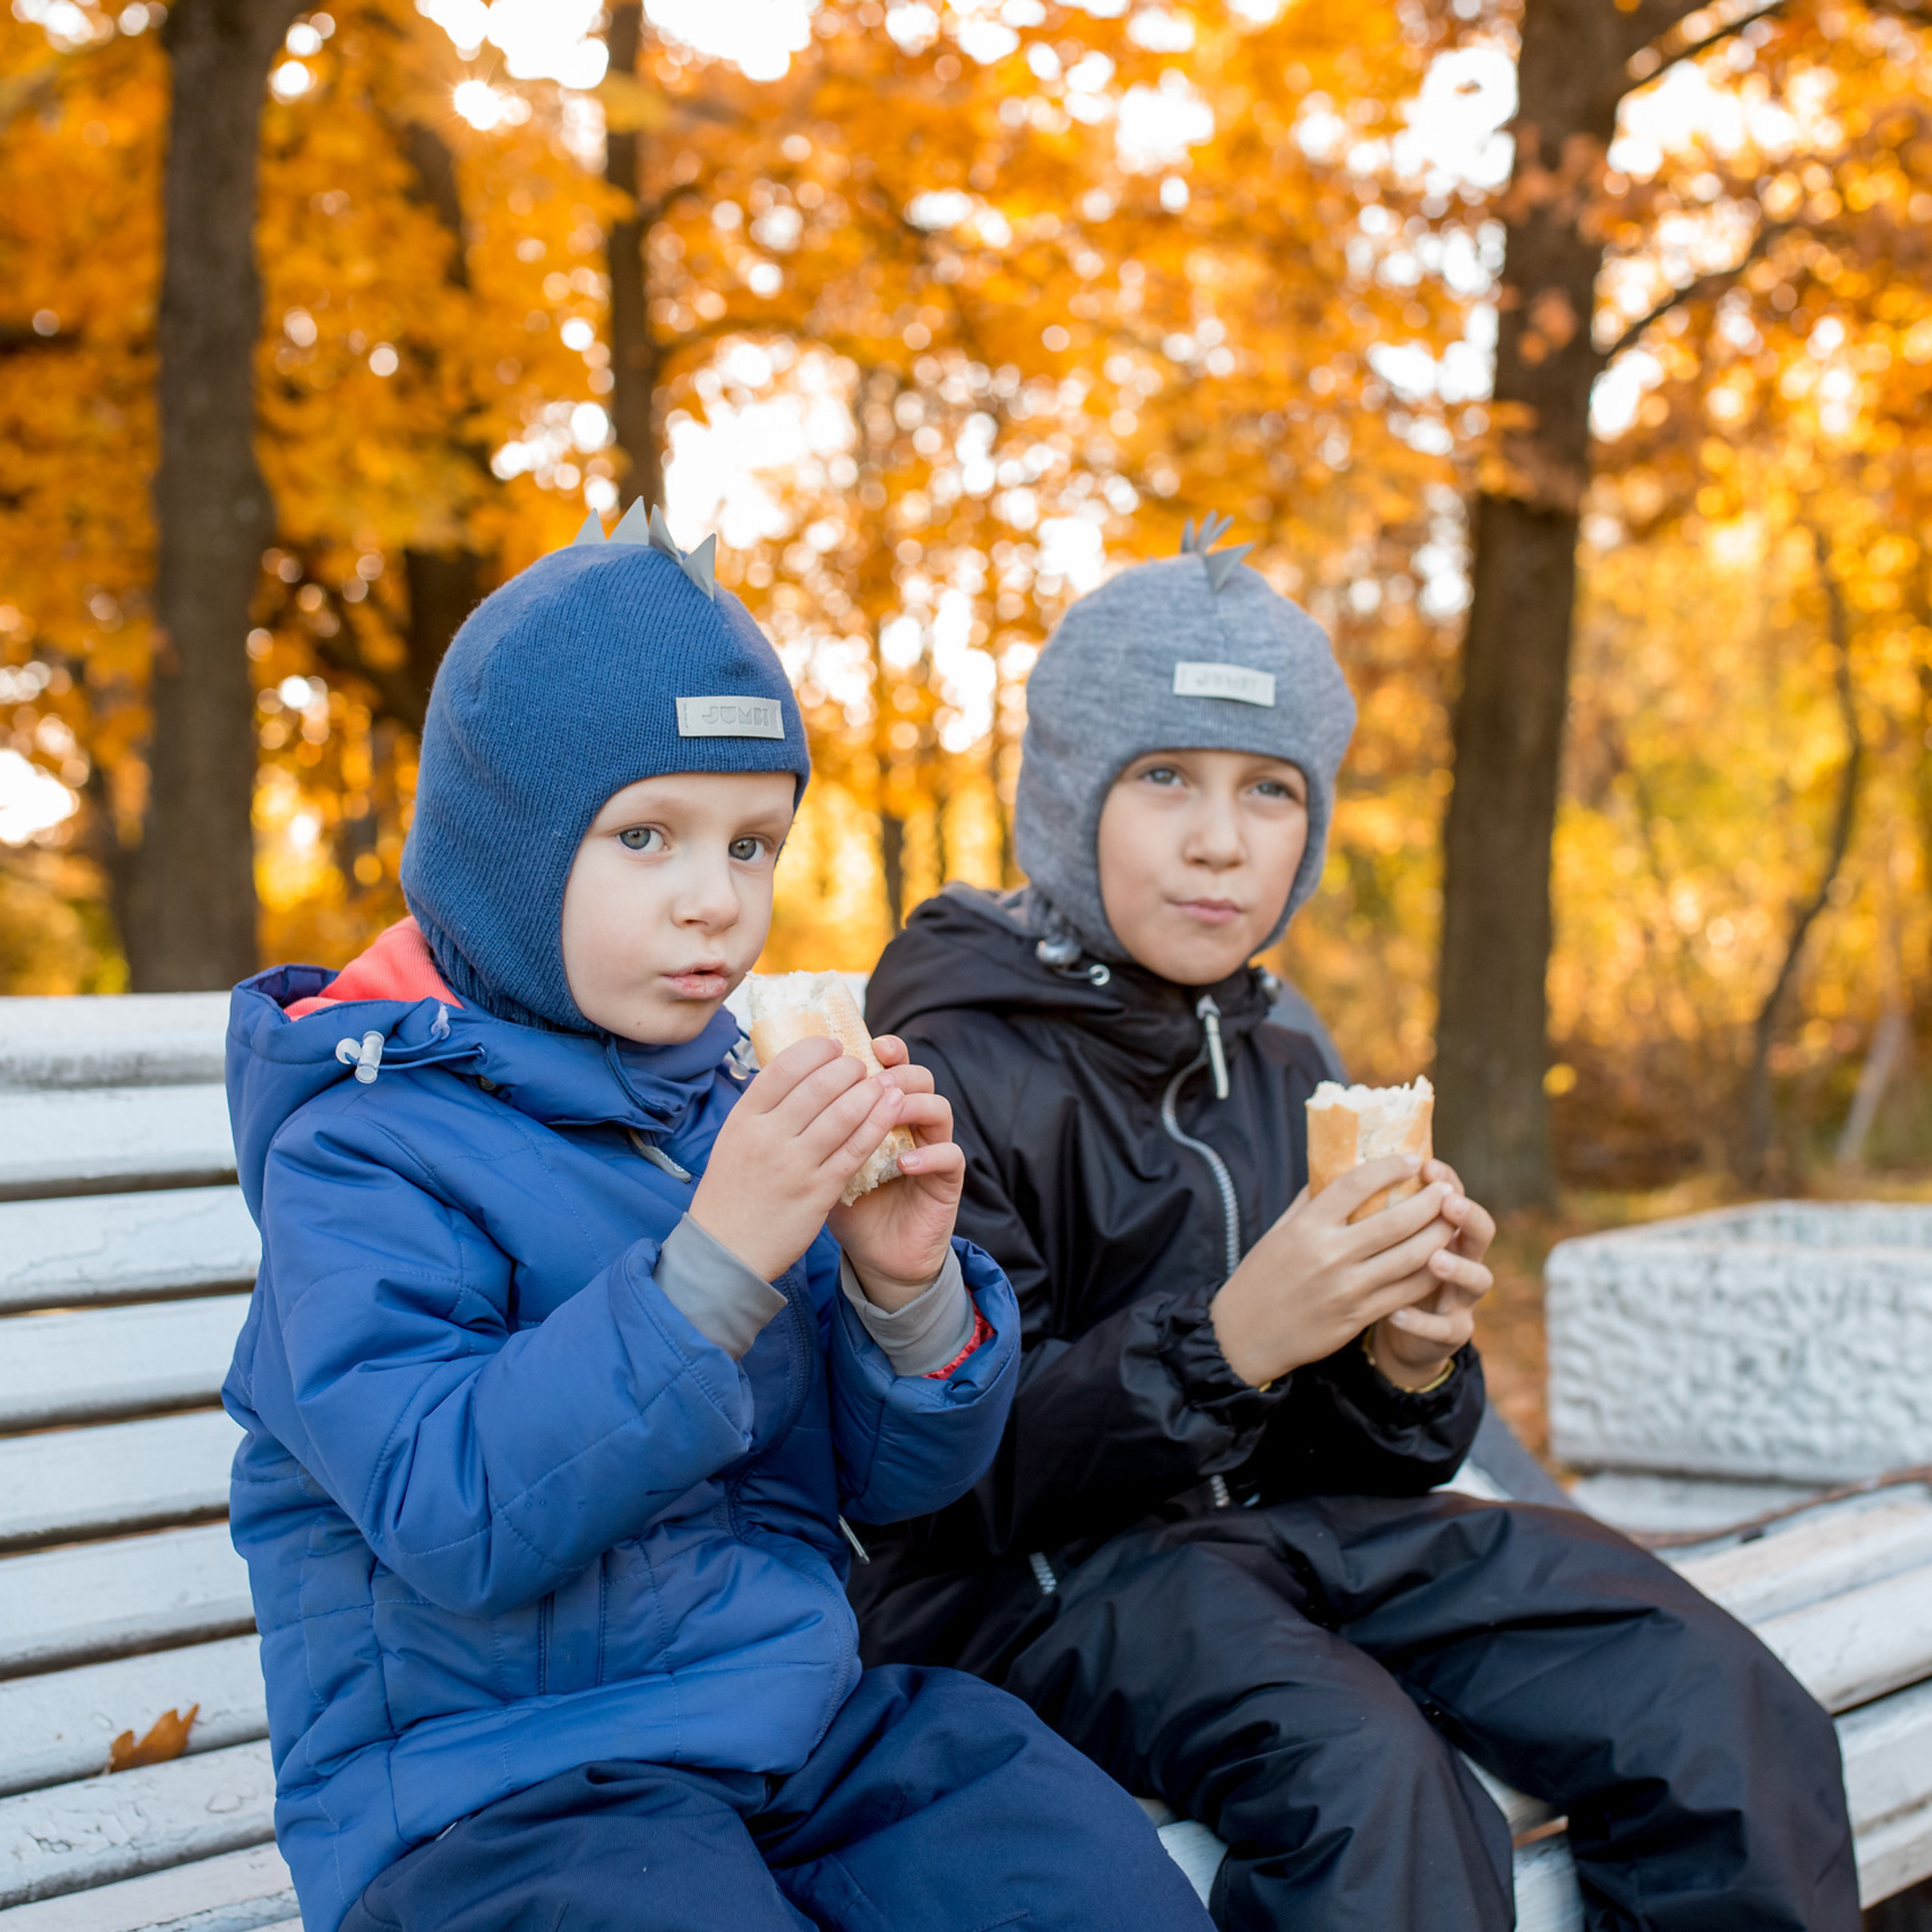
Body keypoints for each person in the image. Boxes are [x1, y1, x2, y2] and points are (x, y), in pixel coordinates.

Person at [850, 528, 1860, 1932]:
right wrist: (1231, 1343)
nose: (1220, 839)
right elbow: (948, 1470)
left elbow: (1376, 1459)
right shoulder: (942, 1060)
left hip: (1279, 1535)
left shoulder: (1283, 1065)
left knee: (1707, 1693)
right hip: (1026, 1591)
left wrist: (1405, 1367)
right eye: (1164, 781)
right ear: (1071, 794)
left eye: (1270, 791)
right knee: (1370, 1786)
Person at [221, 515, 1215, 1932]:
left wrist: (903, 1295)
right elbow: (452, 1515)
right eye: (647, 836)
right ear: (506, 857)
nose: (717, 903)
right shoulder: (365, 1149)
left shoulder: (724, 1101)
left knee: (1055, 1851)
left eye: (752, 844)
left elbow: (893, 1484)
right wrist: (713, 1267)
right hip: (496, 1798)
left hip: (795, 1729)